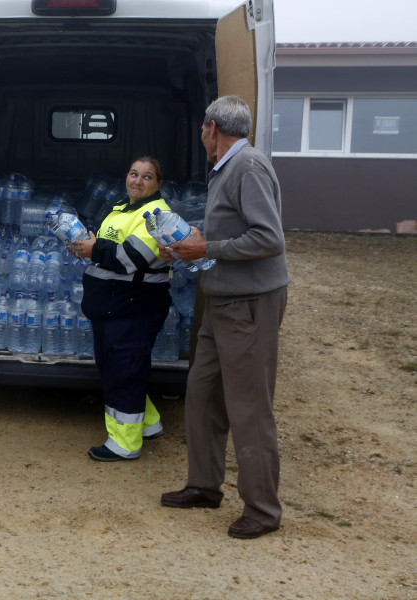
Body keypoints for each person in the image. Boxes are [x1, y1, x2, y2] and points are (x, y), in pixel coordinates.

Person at [159, 95, 289, 539]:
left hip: (249, 303)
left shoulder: (248, 166)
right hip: (220, 300)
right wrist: (189, 241)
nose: (201, 136)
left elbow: (268, 239)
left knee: (249, 407)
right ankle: (204, 486)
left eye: (202, 129)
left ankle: (263, 509)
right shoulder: (226, 167)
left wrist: (207, 248)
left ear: (213, 128)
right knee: (202, 394)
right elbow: (232, 230)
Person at [71, 157, 173, 461]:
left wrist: (95, 249)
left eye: (147, 177)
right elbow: (107, 248)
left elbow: (135, 256)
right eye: (133, 174)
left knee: (124, 371)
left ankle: (125, 444)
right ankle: (149, 424)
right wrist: (87, 243)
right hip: (113, 305)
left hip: (133, 306)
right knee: (116, 367)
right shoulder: (121, 209)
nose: (137, 181)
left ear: (158, 184)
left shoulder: (158, 214)